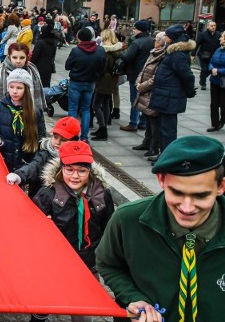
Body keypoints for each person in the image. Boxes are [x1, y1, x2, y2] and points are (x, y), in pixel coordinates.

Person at [96, 136, 225, 322]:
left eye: (200, 195)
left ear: (221, 186)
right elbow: (108, 264)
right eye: (176, 192)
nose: (187, 207)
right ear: (161, 180)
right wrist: (133, 297)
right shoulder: (127, 221)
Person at [31, 140, 114, 322]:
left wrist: (103, 258)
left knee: (83, 312)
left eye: (82, 171)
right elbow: (29, 226)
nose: (75, 176)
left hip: (87, 262)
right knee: (42, 304)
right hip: (55, 262)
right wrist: (41, 224)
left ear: (90, 171)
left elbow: (108, 228)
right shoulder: (48, 195)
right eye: (70, 170)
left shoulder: (102, 195)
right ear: (61, 170)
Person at [149, 24, 196, 158]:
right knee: (164, 127)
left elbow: (187, 75)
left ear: (172, 38)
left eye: (166, 35)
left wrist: (190, 91)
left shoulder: (177, 54)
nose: (164, 37)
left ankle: (168, 156)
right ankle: (164, 154)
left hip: (170, 96)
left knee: (168, 129)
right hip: (166, 95)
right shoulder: (173, 52)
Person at [0, 42, 46, 131]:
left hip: (28, 125)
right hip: (3, 124)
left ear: (27, 57)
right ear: (9, 57)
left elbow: (38, 106)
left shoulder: (33, 72)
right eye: (14, 57)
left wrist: (42, 132)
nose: (18, 61)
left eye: (22, 57)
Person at [6, 116, 81, 198]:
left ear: (74, 141)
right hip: (40, 200)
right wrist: (19, 175)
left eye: (63, 140)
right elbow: (34, 166)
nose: (57, 142)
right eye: (55, 137)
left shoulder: (80, 160)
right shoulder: (45, 153)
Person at [0, 68, 46, 172]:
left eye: (19, 88)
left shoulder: (35, 112)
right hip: (4, 160)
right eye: (11, 87)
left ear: (26, 89)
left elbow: (40, 137)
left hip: (25, 164)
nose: (14, 91)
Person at [65, 27, 107, 142]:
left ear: (80, 38)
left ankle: (72, 135)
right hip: (90, 82)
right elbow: (103, 67)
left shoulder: (76, 51)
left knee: (73, 108)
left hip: (76, 82)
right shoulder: (100, 50)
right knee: (86, 109)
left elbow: (67, 66)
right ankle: (84, 137)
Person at [133, 31, 167, 159]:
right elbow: (143, 70)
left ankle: (154, 147)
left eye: (156, 40)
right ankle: (147, 142)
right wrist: (138, 82)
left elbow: (155, 77)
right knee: (147, 119)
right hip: (144, 90)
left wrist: (141, 86)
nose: (154, 42)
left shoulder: (162, 56)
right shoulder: (153, 53)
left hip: (151, 92)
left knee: (154, 122)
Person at [119, 20, 153, 132]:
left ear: (139, 29)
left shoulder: (137, 42)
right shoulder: (150, 40)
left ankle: (133, 122)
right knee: (144, 98)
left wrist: (121, 53)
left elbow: (128, 57)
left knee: (134, 99)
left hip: (135, 74)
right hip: (147, 74)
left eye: (135, 28)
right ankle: (143, 122)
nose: (133, 30)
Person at [91, 29, 123, 141]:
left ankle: (103, 128)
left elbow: (102, 68)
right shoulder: (117, 50)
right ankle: (102, 127)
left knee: (96, 105)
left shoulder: (105, 51)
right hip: (113, 79)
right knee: (106, 104)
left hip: (104, 79)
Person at [194, 21, 221, 90]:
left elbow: (220, 45)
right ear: (208, 26)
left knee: (210, 70)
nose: (213, 27)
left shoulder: (218, 34)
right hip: (204, 55)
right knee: (204, 69)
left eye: (214, 25)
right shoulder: (203, 34)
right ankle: (203, 84)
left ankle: (202, 77)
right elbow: (197, 44)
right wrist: (193, 54)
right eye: (211, 26)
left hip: (213, 56)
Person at [30, 20, 58, 88]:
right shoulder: (54, 42)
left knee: (38, 85)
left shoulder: (40, 42)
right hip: (48, 66)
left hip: (39, 67)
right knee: (46, 85)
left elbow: (35, 56)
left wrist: (31, 64)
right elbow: (53, 55)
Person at [207, 31, 225, 131]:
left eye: (222, 37)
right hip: (214, 80)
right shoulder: (218, 50)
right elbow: (211, 61)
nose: (219, 38)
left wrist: (218, 71)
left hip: (223, 81)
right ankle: (215, 124)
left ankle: (223, 120)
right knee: (213, 103)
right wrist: (211, 69)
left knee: (223, 103)